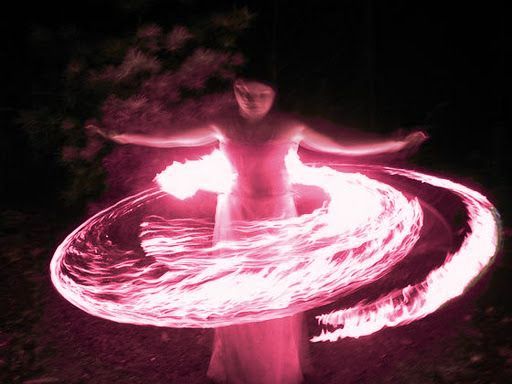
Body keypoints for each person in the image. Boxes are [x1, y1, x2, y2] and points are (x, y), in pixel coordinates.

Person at [89, 78, 426, 383]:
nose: (251, 99)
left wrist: (391, 144)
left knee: (271, 292)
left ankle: (275, 369)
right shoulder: (223, 125)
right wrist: (121, 136)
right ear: (235, 91)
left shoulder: (288, 125)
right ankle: (239, 366)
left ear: (273, 95)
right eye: (244, 92)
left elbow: (339, 143)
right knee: (240, 290)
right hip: (235, 214)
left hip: (276, 216)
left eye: (261, 94)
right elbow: (168, 136)